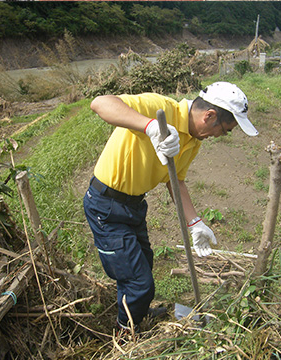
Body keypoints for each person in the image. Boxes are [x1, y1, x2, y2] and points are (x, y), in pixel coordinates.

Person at [83, 82, 258, 332]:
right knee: (138, 281)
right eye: (225, 130)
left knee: (143, 264)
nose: (222, 136)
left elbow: (176, 181)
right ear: (210, 116)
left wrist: (195, 222)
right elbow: (100, 103)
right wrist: (151, 126)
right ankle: (125, 334)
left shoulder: (193, 141)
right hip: (106, 207)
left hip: (134, 206)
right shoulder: (159, 108)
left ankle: (136, 309)